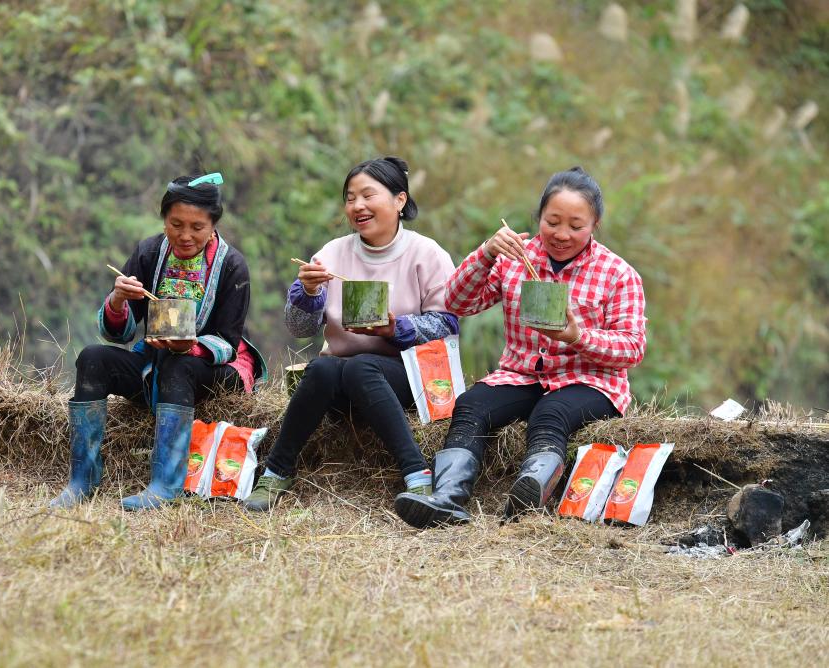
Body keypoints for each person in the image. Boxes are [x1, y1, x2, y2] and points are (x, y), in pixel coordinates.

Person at [395, 167, 646, 528]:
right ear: (539, 216)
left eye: (576, 226)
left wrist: (577, 337)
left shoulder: (618, 274)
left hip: (589, 382)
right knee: (470, 405)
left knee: (551, 413)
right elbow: (456, 302)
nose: (561, 234)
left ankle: (529, 495)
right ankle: (446, 499)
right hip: (521, 374)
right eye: (552, 222)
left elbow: (632, 348)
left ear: (595, 225)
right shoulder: (514, 257)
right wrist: (486, 253)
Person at [242, 157, 458, 513]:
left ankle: (417, 473)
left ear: (399, 200)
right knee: (322, 368)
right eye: (350, 198)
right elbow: (299, 329)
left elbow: (447, 326)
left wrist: (396, 329)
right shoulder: (332, 253)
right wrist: (308, 293)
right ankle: (276, 472)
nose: (357, 206)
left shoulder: (427, 253)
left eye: (368, 196)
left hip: (408, 378)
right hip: (343, 380)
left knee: (361, 367)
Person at [50, 173, 267, 511]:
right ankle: (82, 479)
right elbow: (118, 334)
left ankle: (166, 484)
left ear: (213, 225)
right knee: (92, 358)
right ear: (164, 219)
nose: (185, 235)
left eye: (197, 227)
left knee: (179, 365)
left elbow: (227, 342)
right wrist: (118, 300)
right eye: (175, 224)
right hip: (156, 362)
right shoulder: (149, 252)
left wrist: (189, 346)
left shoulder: (232, 265)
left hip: (213, 368)